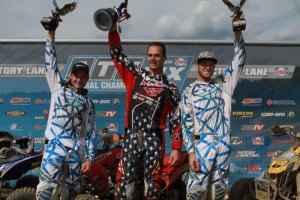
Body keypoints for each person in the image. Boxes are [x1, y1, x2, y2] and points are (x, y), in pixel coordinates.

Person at [107, 23, 183, 199]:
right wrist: (112, 29)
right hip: (132, 136)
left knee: (153, 187)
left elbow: (176, 120)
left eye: (157, 55)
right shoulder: (135, 75)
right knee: (124, 186)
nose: (153, 59)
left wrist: (177, 148)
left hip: (154, 138)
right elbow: (117, 54)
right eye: (150, 55)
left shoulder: (171, 88)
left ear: (164, 58)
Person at [181, 14, 246, 200]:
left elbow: (239, 59)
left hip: (223, 141)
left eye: (211, 64)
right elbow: (186, 124)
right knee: (196, 192)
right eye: (204, 64)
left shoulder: (224, 84)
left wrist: (237, 33)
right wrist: (191, 152)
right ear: (197, 66)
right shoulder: (189, 91)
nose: (208, 67)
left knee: (219, 191)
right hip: (202, 143)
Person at [36, 20, 96, 200]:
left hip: (76, 152)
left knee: (71, 193)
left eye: (83, 76)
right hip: (54, 147)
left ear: (87, 79)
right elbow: (50, 61)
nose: (79, 79)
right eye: (76, 75)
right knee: (45, 191)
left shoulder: (89, 103)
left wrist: (90, 158)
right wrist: (51, 34)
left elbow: (91, 132)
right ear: (70, 75)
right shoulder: (57, 87)